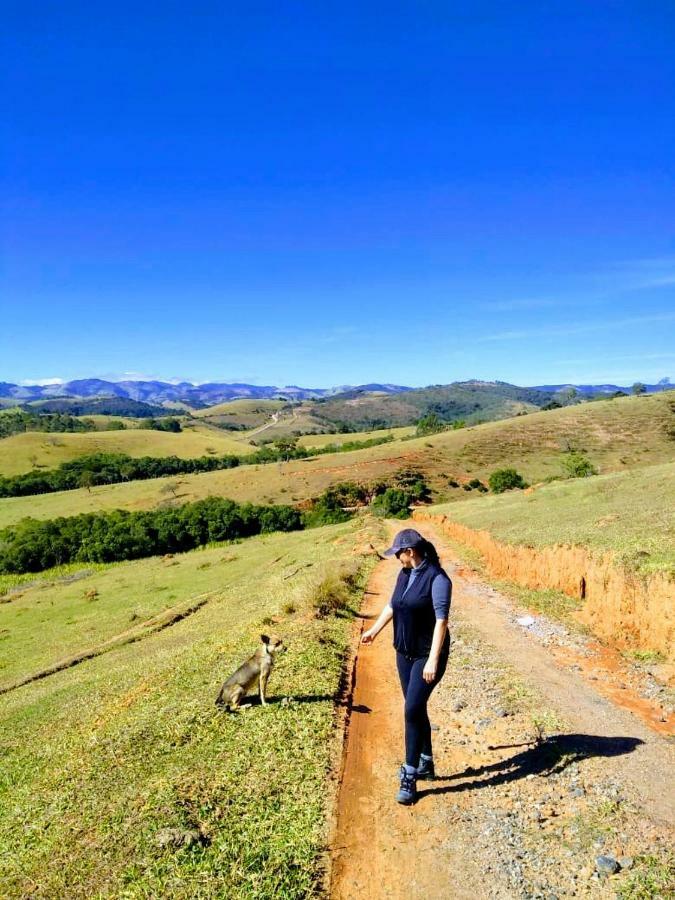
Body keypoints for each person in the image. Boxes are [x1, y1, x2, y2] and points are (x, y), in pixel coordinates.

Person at [361, 527, 451, 805]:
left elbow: (441, 621)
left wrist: (434, 659)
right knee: (415, 707)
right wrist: (374, 630)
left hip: (427, 654)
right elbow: (393, 605)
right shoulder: (404, 574)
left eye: (398, 553)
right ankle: (426, 760)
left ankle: (410, 774)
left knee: (411, 708)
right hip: (404, 653)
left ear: (409, 552)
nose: (396, 557)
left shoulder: (438, 579)